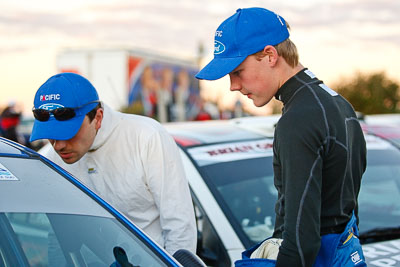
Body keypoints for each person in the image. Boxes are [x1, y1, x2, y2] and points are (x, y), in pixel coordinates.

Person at [196, 7, 367, 267]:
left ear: (270, 55)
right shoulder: (337, 103)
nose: (233, 86)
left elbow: (301, 243)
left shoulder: (299, 118)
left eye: (237, 71)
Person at [29, 72, 197, 255]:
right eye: (51, 135)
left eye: (68, 132)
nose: (59, 145)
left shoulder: (147, 137)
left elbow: (180, 226)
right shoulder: (49, 159)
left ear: (98, 118)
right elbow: (57, 234)